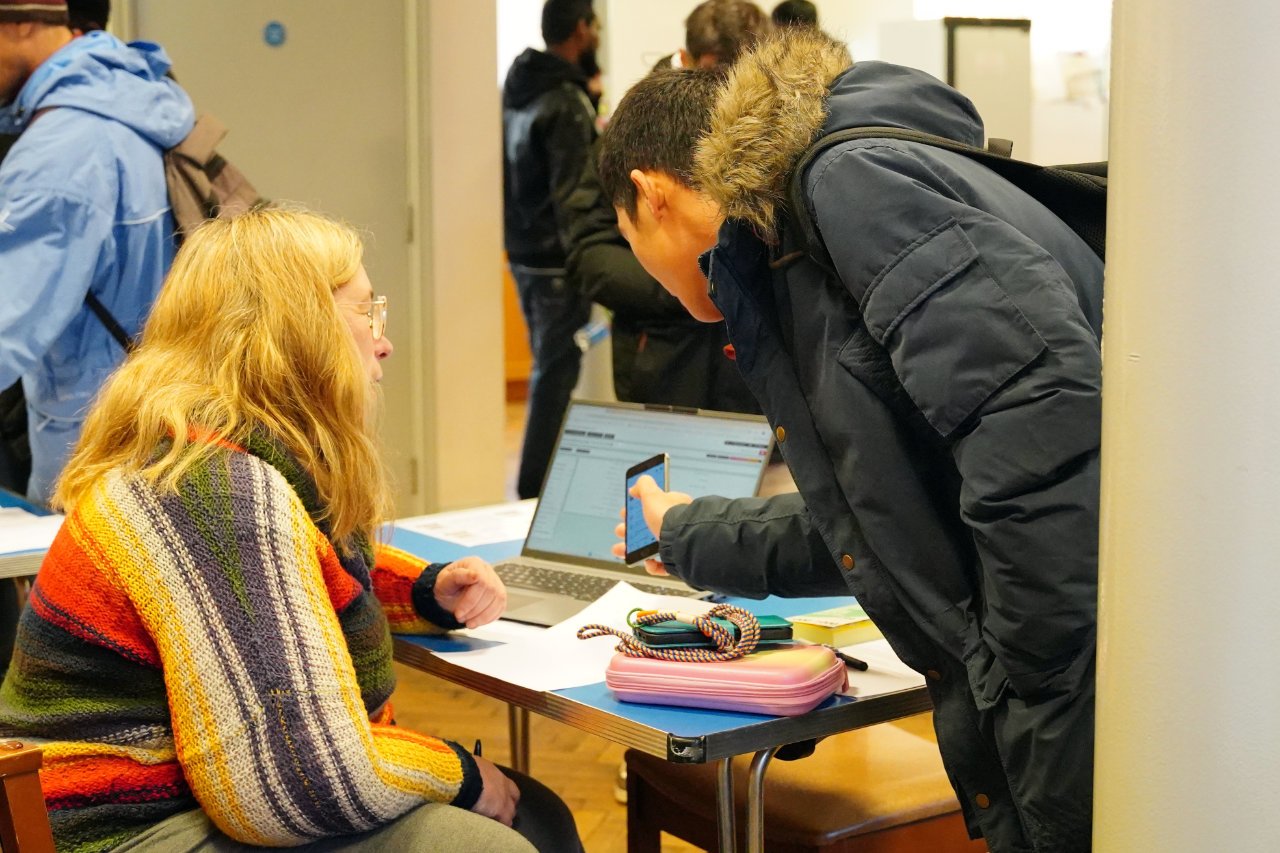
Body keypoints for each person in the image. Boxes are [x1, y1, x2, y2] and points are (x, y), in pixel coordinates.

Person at [599, 29, 1102, 853]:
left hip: (1072, 683)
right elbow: (883, 519)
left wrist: (1028, 680)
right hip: (1064, 675)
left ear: (651, 194)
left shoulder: (845, 186)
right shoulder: (801, 238)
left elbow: (1047, 437)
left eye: (629, 243)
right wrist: (687, 530)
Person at [0, 206, 584, 853]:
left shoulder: (204, 452)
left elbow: (291, 574)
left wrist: (423, 588)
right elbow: (293, 786)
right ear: (298, 331)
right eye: (366, 310)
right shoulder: (213, 488)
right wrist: (463, 773)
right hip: (123, 828)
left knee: (542, 818)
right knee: (498, 843)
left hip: (169, 797)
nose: (383, 339)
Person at [0, 0, 195, 506]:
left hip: (95, 459)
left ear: (24, 19)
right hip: (159, 441)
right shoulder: (129, 103)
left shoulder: (63, 150)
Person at [565, 0, 766, 412]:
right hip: (662, 358)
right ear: (688, 57)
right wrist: (681, 283)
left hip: (755, 368)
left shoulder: (764, 126)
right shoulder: (637, 126)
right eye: (717, 71)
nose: (727, 88)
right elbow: (590, 249)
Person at [502, 0, 599, 499]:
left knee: (548, 371)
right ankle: (533, 491)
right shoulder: (564, 99)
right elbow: (574, 196)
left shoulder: (519, 88)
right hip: (557, 261)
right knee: (555, 377)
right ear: (582, 30)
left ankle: (533, 486)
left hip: (522, 252)